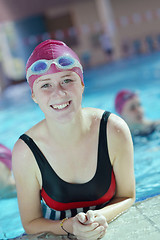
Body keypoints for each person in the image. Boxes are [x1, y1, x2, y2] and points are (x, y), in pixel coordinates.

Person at [12, 40, 135, 239]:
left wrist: (98, 218)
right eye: (45, 85)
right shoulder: (26, 151)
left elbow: (127, 196)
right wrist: (70, 226)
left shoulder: (113, 129)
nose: (59, 93)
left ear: (82, 84)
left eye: (67, 80)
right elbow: (31, 223)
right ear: (33, 95)